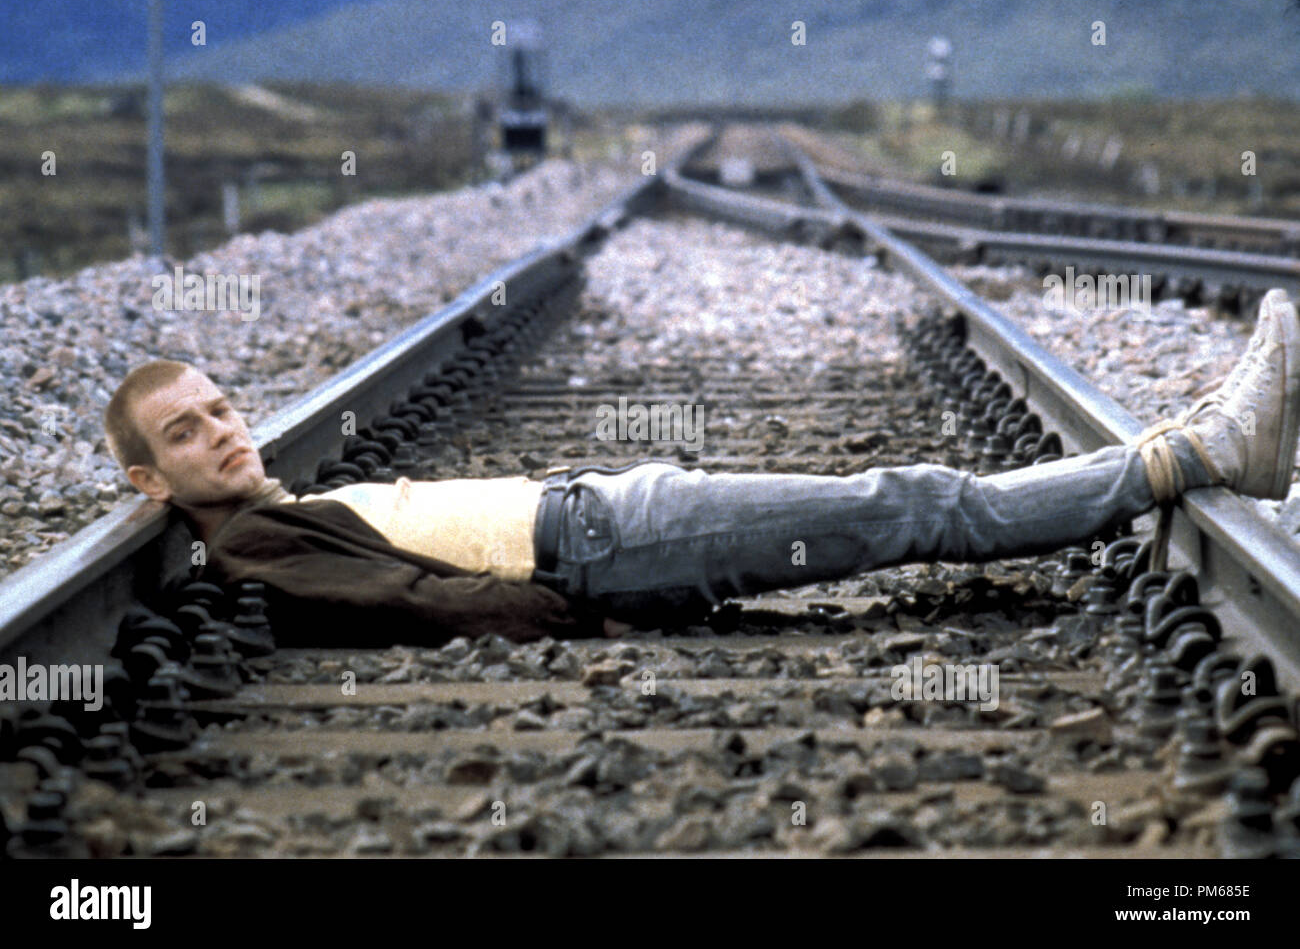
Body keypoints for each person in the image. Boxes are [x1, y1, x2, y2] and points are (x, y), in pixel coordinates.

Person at [103, 289, 1300, 645]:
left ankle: (1184, 444)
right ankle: (1196, 450)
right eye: (187, 435)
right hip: (602, 543)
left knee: (896, 504)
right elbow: (410, 600)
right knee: (910, 503)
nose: (222, 430)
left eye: (218, 407)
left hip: (607, 519)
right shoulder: (255, 540)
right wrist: (566, 604)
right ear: (151, 483)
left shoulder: (274, 506)